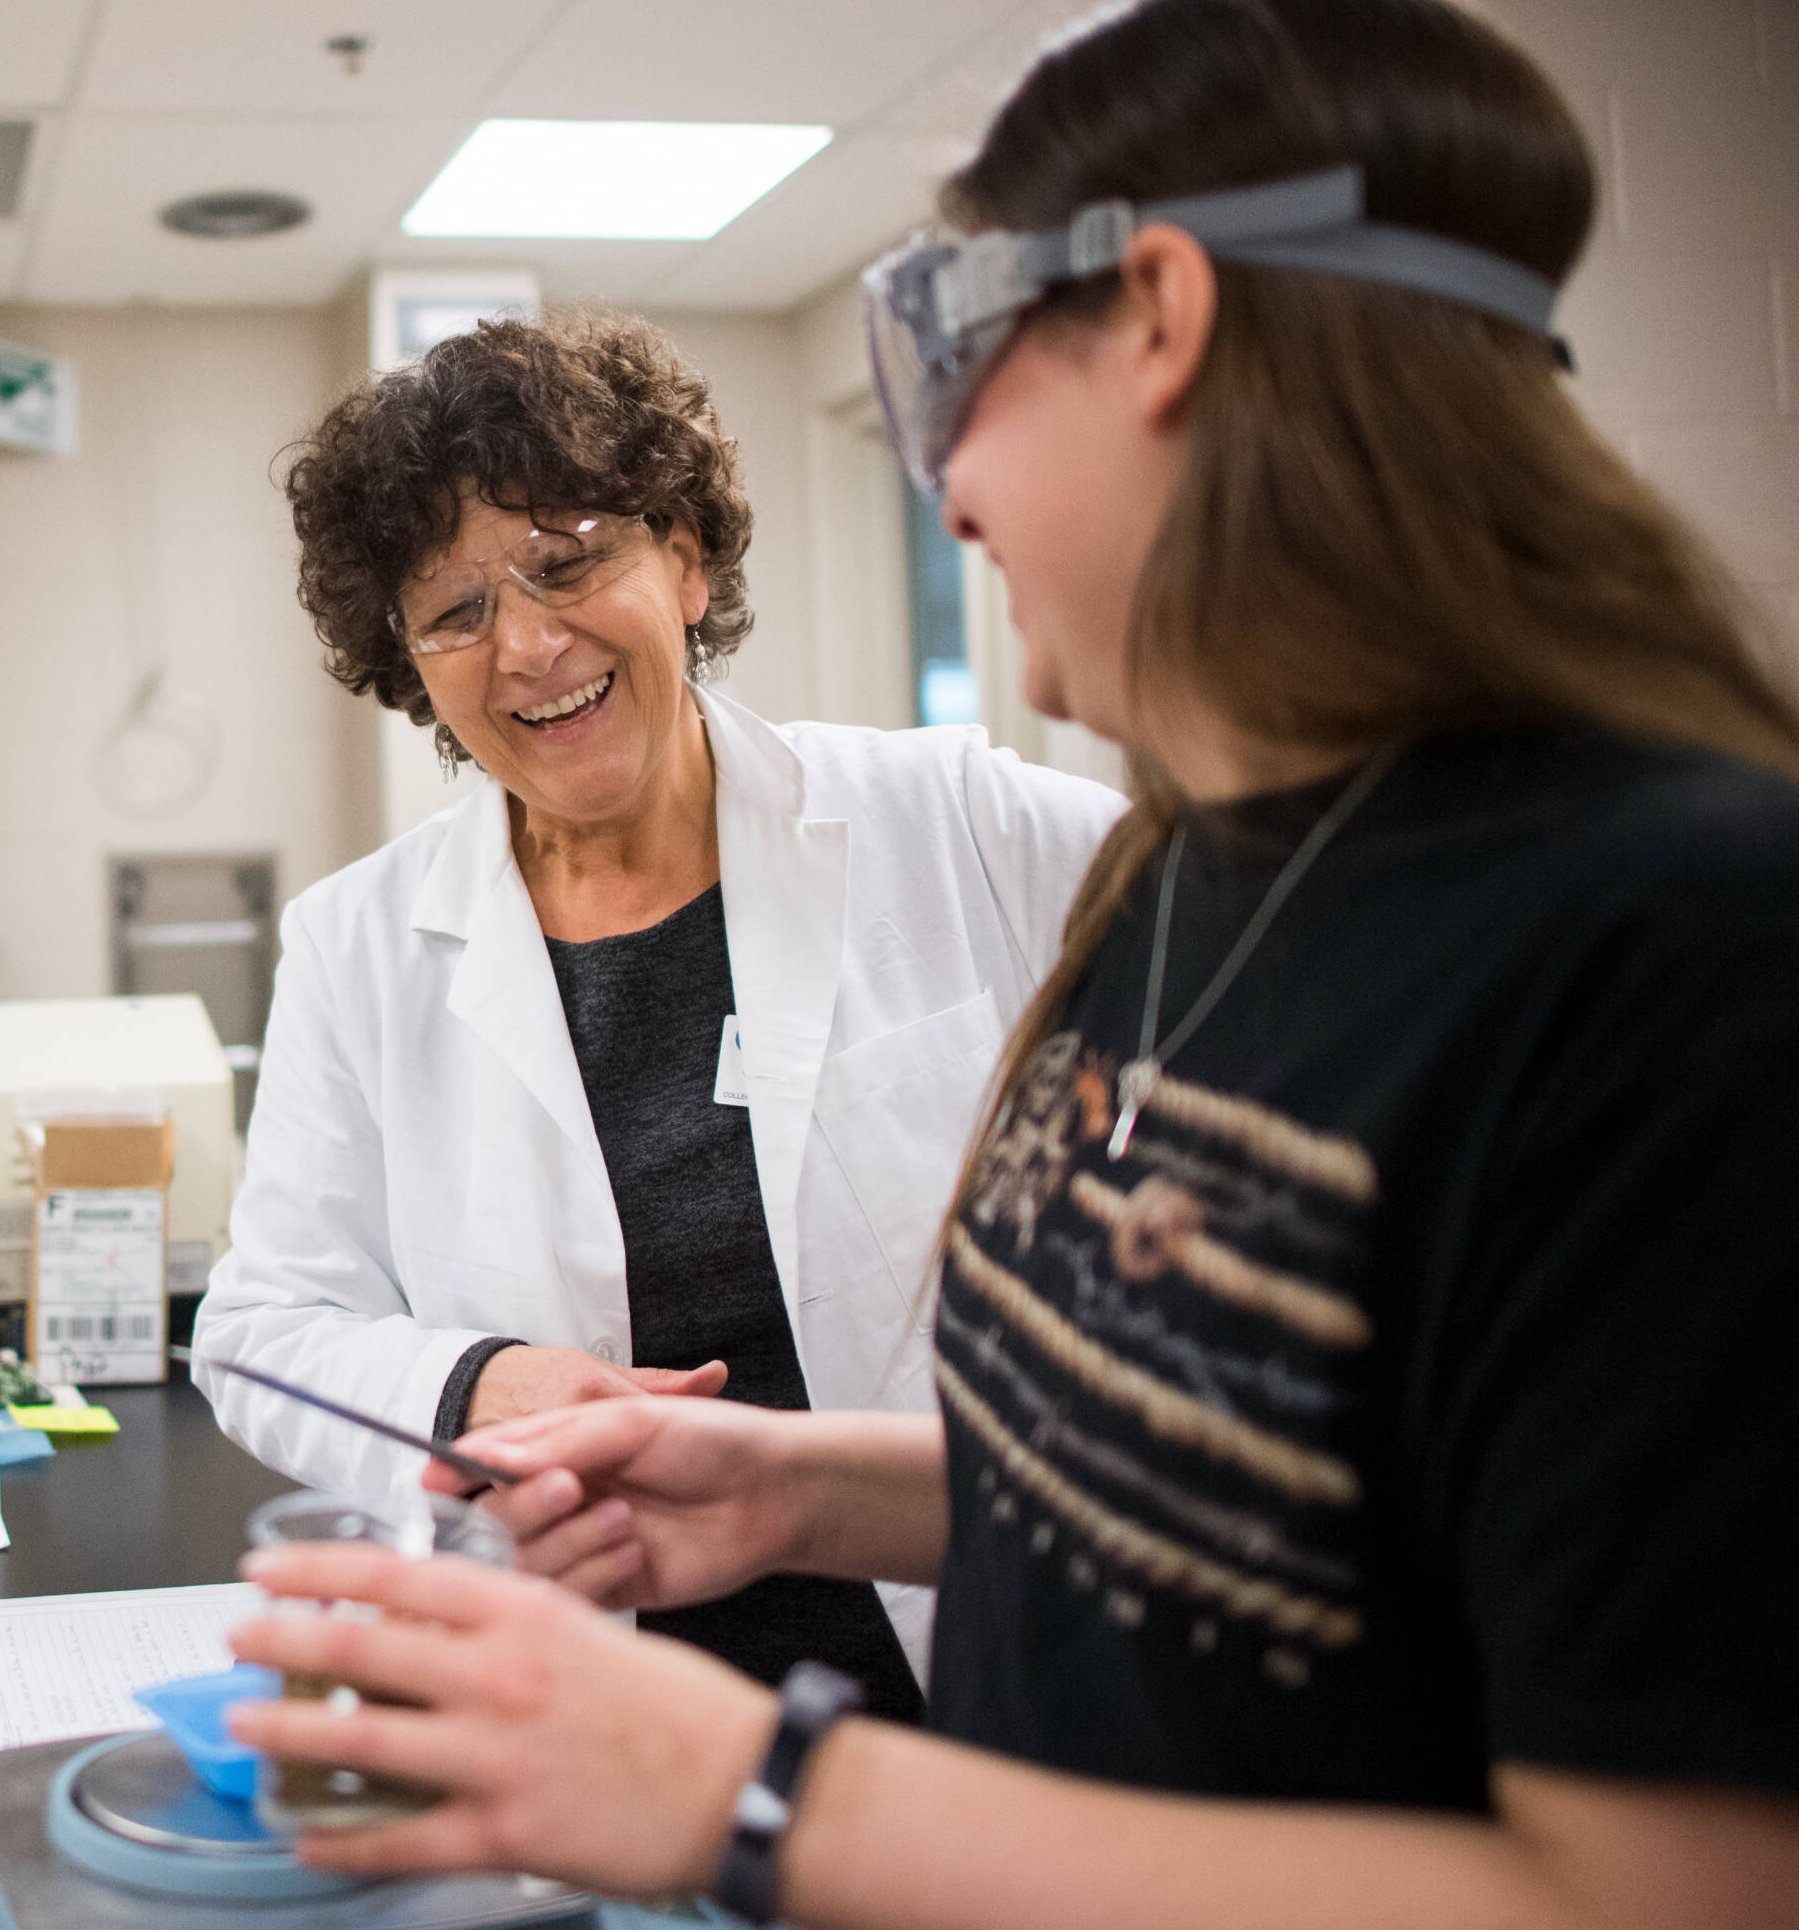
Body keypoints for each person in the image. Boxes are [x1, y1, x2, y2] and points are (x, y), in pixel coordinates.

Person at [228, 0, 1799, 1929]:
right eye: (448, 613)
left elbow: (1728, 1888)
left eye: (949, 349)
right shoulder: (1191, 877)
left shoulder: (1685, 944)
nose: (948, 479)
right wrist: (802, 1491)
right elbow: (1201, 1475)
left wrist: (757, 1799)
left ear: (1161, 316)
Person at [192, 311, 1124, 1717]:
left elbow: (1298, 944)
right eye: (455, 612)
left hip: (993, 1686)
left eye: (568, 564)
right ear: (412, 666)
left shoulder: (960, 822)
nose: (526, 646)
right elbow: (260, 1326)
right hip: (597, 1718)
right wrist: (474, 1387)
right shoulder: (358, 945)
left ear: (683, 560)